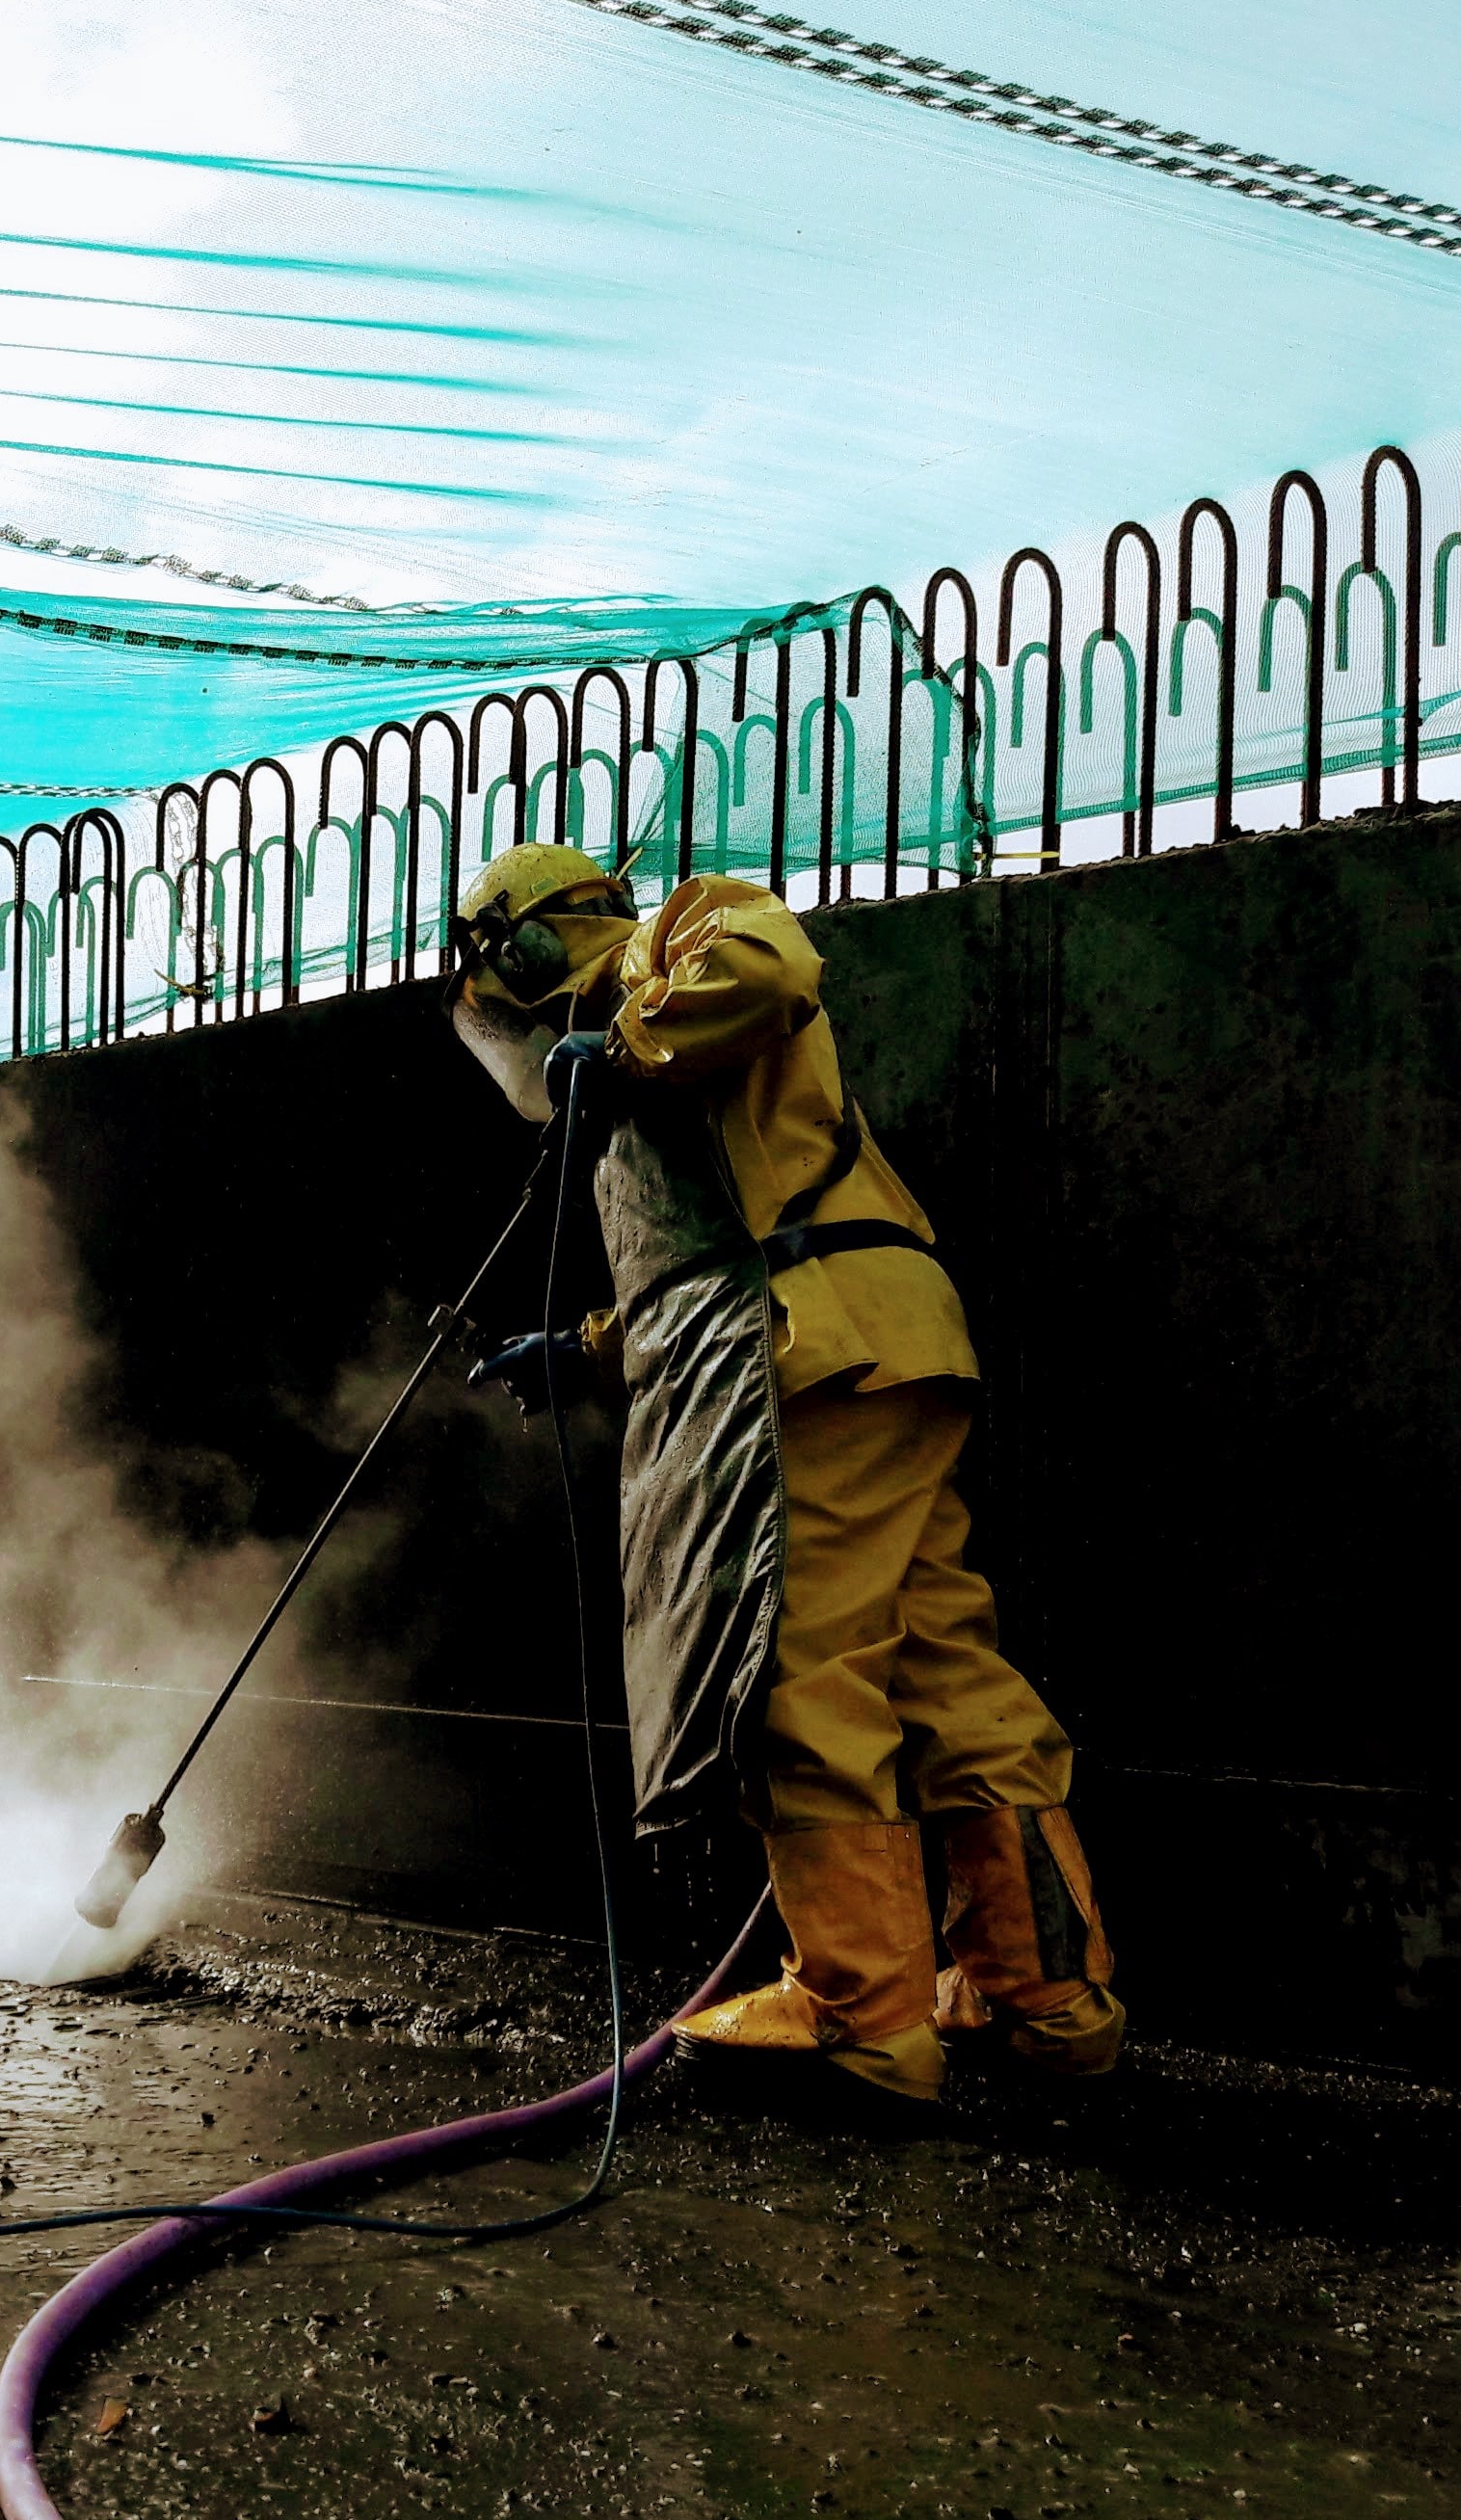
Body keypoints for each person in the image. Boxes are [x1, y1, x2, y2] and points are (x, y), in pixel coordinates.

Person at [443, 842, 1120, 2109]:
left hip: (811, 1357)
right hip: (875, 1349)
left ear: (520, 947)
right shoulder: (629, 1062)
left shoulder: (678, 944)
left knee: (802, 1681)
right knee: (951, 1684)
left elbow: (771, 966)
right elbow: (706, 1258)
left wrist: (629, 1048)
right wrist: (590, 1348)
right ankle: (1045, 1999)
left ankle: (864, 2016)